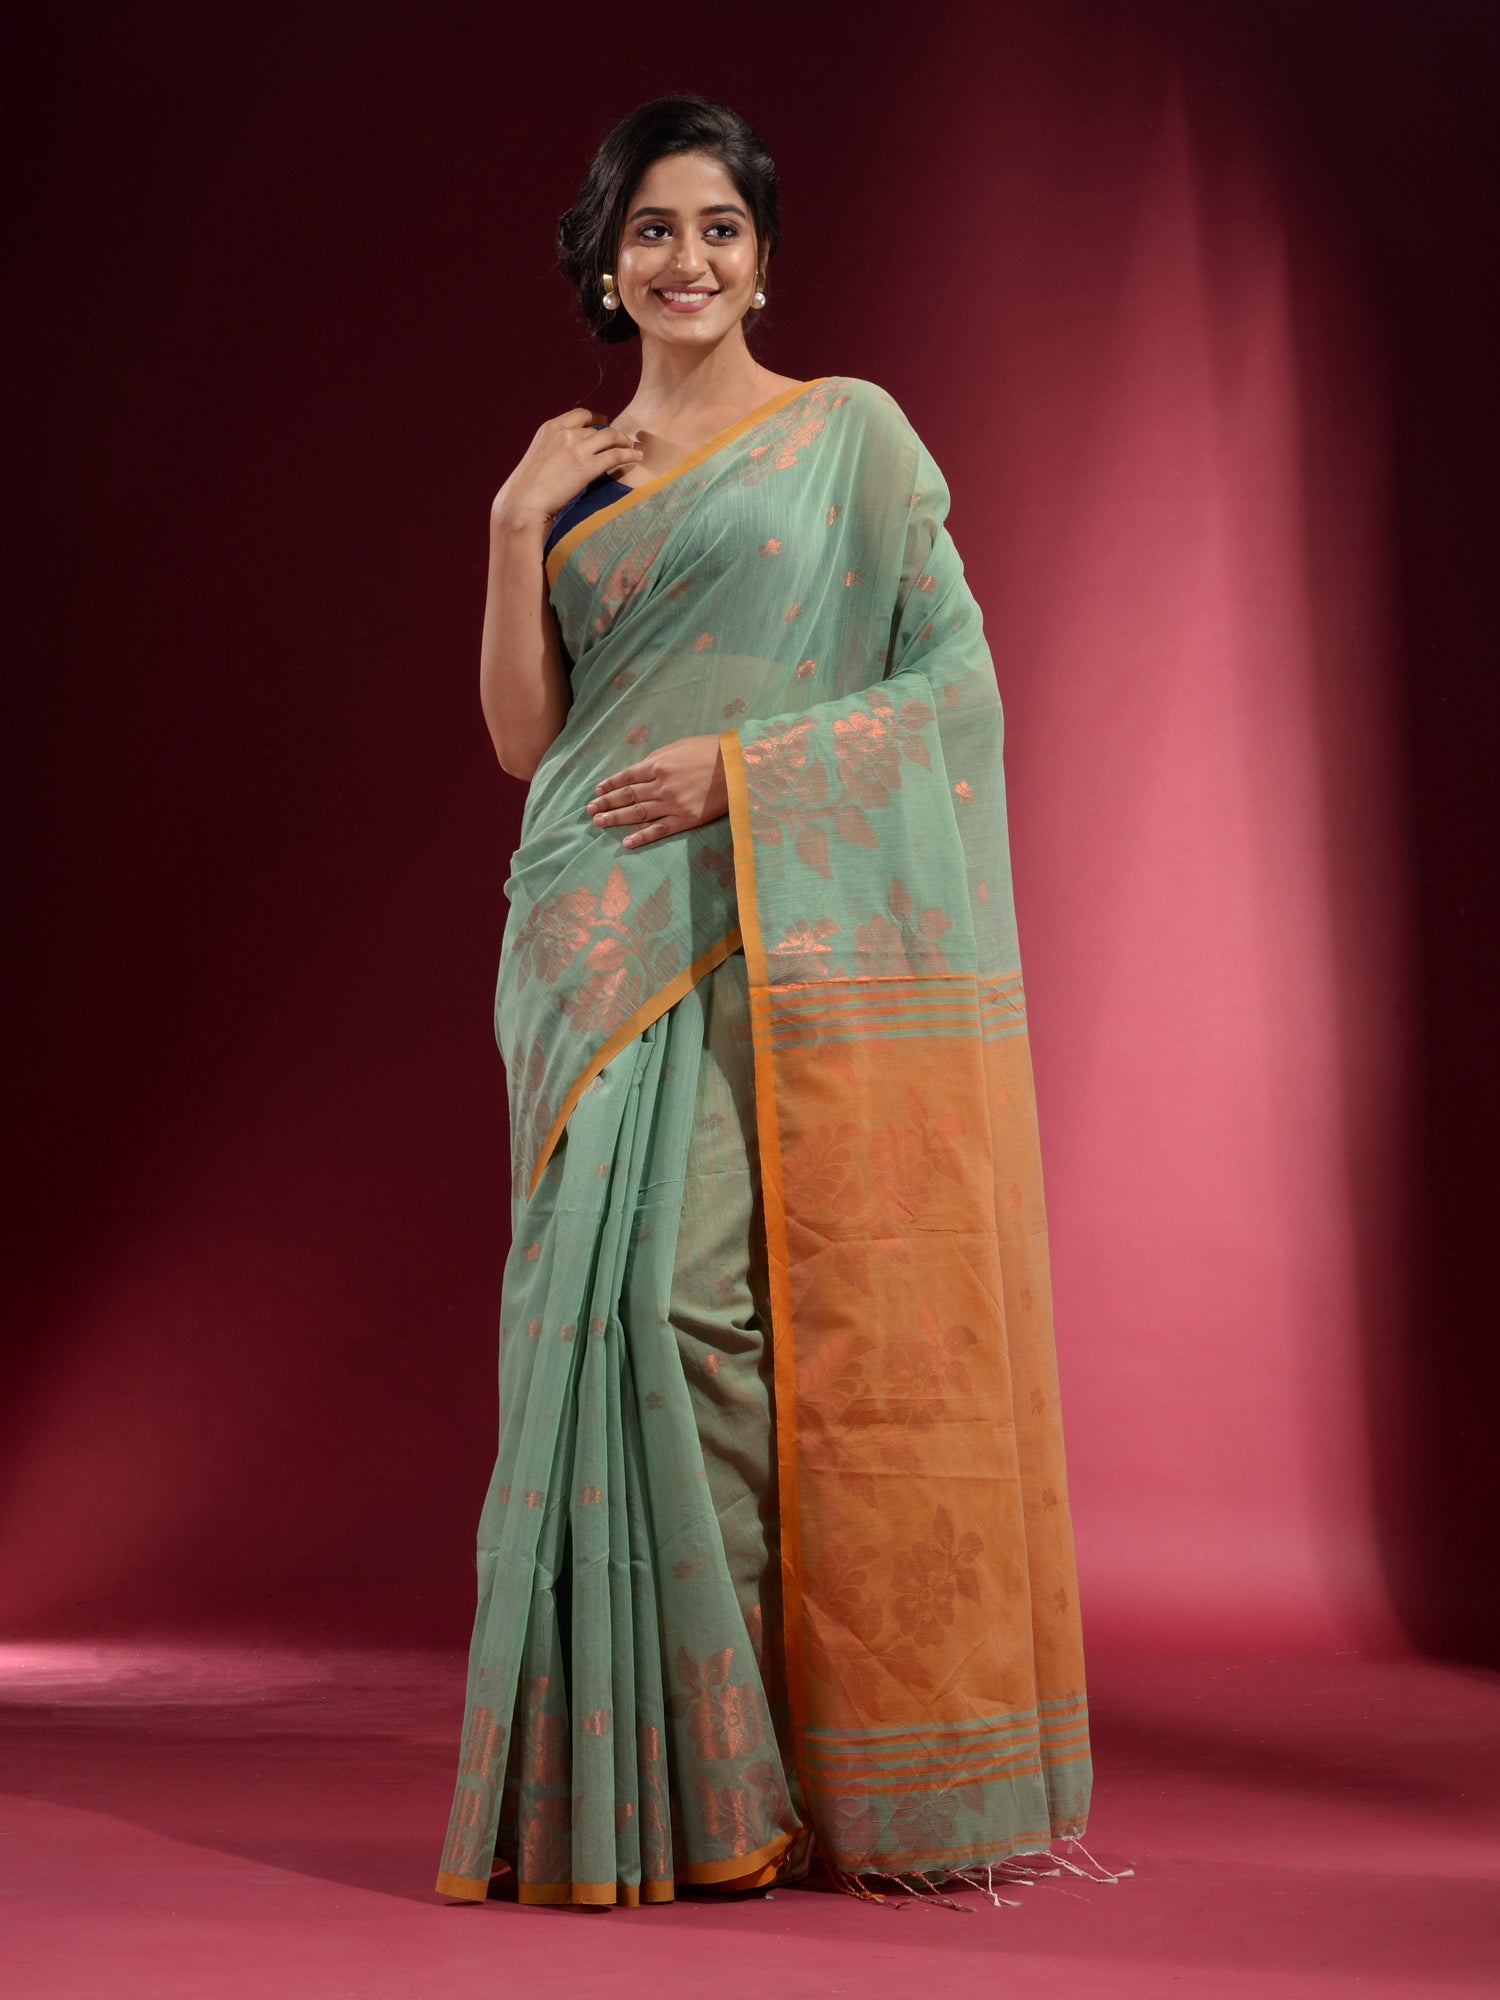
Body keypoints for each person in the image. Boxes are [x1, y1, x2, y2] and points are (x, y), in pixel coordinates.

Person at [435, 92, 1098, 1911]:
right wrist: (509, 527)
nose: (688, 259)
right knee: (590, 1325)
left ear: (763, 258)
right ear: (604, 261)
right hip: (583, 934)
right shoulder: (565, 475)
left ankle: (756, 1768)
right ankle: (660, 1795)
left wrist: (746, 777)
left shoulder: (849, 438)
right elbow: (525, 742)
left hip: (757, 914)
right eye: (653, 228)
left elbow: (954, 693)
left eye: (718, 227)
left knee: (698, 1314)